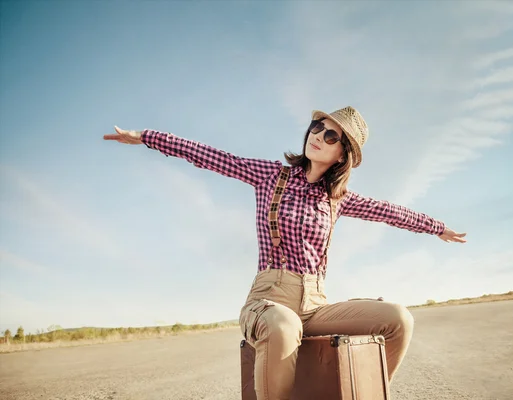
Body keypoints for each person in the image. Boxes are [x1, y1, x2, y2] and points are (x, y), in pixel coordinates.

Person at [103, 106, 467, 399]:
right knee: (283, 324)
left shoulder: (336, 198)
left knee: (398, 319)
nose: (318, 137)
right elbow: (208, 156)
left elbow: (391, 212)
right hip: (268, 301)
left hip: (315, 305)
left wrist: (436, 227)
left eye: (331, 136)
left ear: (344, 154)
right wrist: (147, 137)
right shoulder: (269, 176)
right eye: (316, 129)